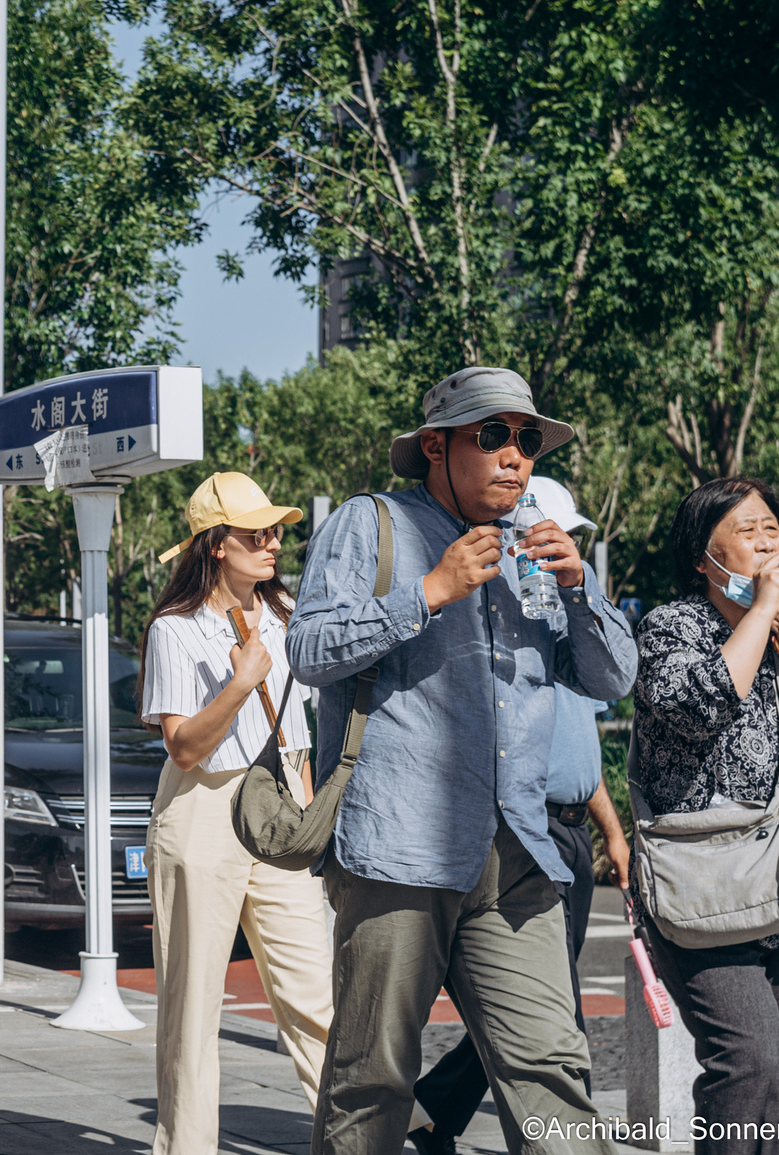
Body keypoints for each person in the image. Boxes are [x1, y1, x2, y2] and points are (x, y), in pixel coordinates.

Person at [287, 366, 636, 1154]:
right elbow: (308, 649)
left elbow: (614, 679)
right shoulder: (368, 523)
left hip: (516, 854)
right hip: (399, 853)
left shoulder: (540, 548)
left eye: (527, 440)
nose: (515, 456)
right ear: (437, 447)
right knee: (371, 1079)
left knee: (553, 1073)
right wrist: (429, 590)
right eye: (494, 436)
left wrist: (583, 590)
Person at [628, 476, 779, 1155]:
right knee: (749, 1063)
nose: (766, 541)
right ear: (704, 557)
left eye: (771, 528)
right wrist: (759, 613)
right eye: (747, 530)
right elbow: (699, 705)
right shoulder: (672, 628)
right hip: (706, 889)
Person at [409, 475, 633, 1154]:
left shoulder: (567, 626)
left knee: (541, 1011)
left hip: (567, 828)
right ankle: (462, 1109)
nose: (557, 550)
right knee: (545, 1009)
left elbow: (581, 748)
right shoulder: (501, 629)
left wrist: (612, 828)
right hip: (519, 831)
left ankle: (441, 1108)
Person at [137, 472, 334, 1154]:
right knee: (193, 1009)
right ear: (216, 544)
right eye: (257, 533)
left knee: (316, 994)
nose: (273, 542)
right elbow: (183, 746)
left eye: (276, 530)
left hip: (275, 804)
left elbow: (297, 731)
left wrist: (307, 814)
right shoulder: (175, 628)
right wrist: (239, 683)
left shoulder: (286, 616)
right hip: (201, 811)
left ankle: (356, 1138)